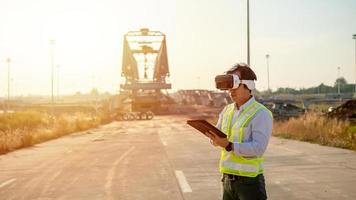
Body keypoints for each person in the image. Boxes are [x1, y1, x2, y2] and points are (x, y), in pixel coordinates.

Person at [207, 63, 273, 200]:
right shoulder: (227, 111)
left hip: (250, 183)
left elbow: (258, 148)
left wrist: (229, 145)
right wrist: (213, 137)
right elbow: (219, 138)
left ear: (249, 85)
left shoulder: (261, 113)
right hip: (227, 181)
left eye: (235, 84)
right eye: (229, 86)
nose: (231, 90)